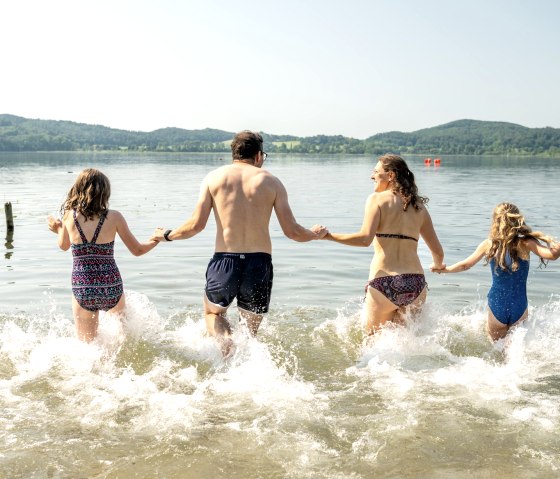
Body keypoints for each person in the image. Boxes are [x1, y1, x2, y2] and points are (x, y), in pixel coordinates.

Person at [151, 131, 326, 356]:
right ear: (258, 155)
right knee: (250, 335)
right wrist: (314, 234)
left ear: (234, 152)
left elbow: (196, 225)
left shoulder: (214, 178)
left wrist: (166, 235)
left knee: (214, 315)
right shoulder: (272, 182)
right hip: (259, 263)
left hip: (226, 260)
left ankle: (225, 344)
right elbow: (292, 232)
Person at [322, 154, 445, 335]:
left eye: (376, 172)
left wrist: (328, 236)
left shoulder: (376, 199)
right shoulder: (419, 207)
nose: (372, 176)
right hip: (415, 284)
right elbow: (438, 252)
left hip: (384, 282)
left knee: (372, 345)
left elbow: (364, 239)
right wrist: (437, 265)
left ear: (391, 175)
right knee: (407, 346)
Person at [47, 168, 158, 342]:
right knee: (124, 339)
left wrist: (59, 228)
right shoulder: (114, 217)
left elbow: (63, 245)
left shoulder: (70, 216)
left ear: (78, 190)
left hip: (83, 287)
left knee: (87, 345)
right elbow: (137, 250)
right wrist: (155, 240)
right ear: (105, 193)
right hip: (110, 284)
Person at [433, 202, 560, 341]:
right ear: (517, 220)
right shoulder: (526, 243)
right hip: (519, 304)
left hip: (497, 304)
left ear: (495, 222)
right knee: (515, 350)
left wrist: (444, 269)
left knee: (496, 353)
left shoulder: (489, 244)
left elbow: (465, 265)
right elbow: (551, 255)